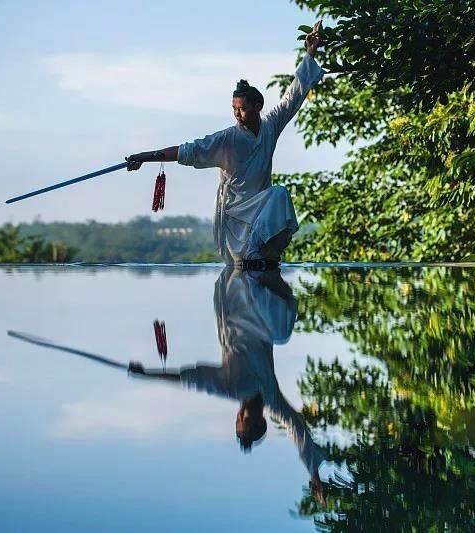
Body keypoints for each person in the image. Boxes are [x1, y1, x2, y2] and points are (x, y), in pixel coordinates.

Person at [126, 21, 325, 269]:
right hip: (235, 210)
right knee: (245, 264)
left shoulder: (270, 126)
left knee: (279, 194)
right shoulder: (228, 138)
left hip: (260, 205)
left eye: (241, 109)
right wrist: (144, 156)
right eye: (234, 109)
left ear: (257, 107)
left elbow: (294, 95)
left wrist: (311, 51)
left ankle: (264, 256)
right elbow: (188, 150)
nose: (237, 114)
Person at [128, 266, 328, 502]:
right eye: (244, 420)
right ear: (259, 420)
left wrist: (147, 374)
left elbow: (187, 379)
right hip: (255, 305)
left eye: (237, 420)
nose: (239, 414)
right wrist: (314, 475)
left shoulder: (232, 389)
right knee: (279, 325)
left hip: (233, 305)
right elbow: (298, 431)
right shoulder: (269, 399)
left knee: (240, 259)